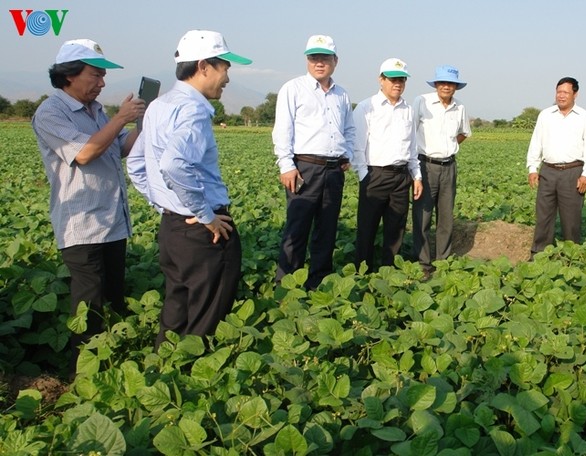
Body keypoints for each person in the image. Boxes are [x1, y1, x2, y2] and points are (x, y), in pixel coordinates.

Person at [127, 30, 250, 347]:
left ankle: (160, 373)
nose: (227, 79)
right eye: (225, 68)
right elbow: (174, 164)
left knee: (176, 312)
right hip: (203, 234)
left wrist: (167, 206)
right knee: (204, 321)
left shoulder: (158, 105)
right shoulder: (193, 110)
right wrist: (204, 215)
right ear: (205, 66)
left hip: (173, 229)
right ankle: (193, 383)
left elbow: (137, 165)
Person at [32, 39, 145, 373]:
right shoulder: (51, 112)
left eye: (103, 76)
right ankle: (80, 372)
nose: (102, 82)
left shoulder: (97, 111)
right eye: (95, 75)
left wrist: (139, 123)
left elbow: (119, 147)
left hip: (112, 221)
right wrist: (121, 119)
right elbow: (83, 153)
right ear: (69, 75)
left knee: (112, 298)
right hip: (81, 227)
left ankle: (112, 363)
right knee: (88, 305)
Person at [272, 35, 355, 290]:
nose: (319, 63)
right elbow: (282, 129)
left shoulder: (342, 95)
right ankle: (286, 286)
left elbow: (349, 129)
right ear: (307, 60)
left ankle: (318, 283)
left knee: (327, 229)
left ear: (335, 61)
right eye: (313, 58)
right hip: (304, 168)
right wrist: (286, 165)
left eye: (324, 58)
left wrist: (348, 154)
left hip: (334, 169)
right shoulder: (293, 88)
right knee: (297, 228)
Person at [352, 58, 423, 271]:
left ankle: (388, 272)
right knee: (367, 228)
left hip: (401, 177)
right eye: (392, 79)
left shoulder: (408, 110)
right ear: (381, 80)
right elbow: (357, 146)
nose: (397, 83)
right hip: (375, 175)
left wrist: (416, 175)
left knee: (396, 229)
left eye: (401, 79)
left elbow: (412, 147)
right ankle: (362, 272)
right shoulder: (366, 107)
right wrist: (365, 176)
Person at [526, 77, 586, 258]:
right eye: (558, 92)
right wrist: (533, 168)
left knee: (571, 218)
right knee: (544, 215)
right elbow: (536, 142)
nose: (561, 96)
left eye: (565, 92)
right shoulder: (545, 115)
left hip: (573, 172)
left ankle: (571, 255)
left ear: (575, 94)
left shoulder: (585, 118)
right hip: (548, 171)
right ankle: (539, 254)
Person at [411, 65, 471, 276]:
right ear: (436, 84)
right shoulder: (422, 102)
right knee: (423, 217)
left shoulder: (460, 107)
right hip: (425, 165)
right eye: (443, 83)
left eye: (451, 83)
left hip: (449, 166)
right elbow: (409, 131)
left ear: (456, 87)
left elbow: (464, 133)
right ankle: (424, 264)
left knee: (446, 217)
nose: (446, 87)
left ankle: (442, 261)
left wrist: (450, 145)